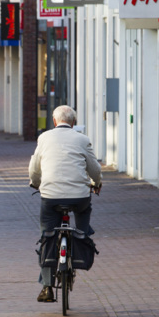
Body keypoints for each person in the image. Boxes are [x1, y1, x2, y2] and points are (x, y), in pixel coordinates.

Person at [28, 105, 102, 303]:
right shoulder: (82, 139)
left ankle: (46, 286)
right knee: (84, 215)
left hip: (50, 197)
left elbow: (34, 167)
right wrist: (97, 183)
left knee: (47, 236)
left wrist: (35, 183)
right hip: (79, 197)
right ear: (73, 123)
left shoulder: (44, 138)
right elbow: (94, 168)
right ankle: (82, 238)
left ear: (54, 122)